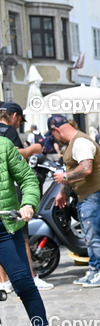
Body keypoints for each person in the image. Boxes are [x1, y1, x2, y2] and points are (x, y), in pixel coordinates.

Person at [0, 135, 55, 326]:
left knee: (23, 283)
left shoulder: (3, 146)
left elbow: (29, 180)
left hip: (5, 226)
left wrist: (28, 204)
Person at [49, 114, 100, 287]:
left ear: (56, 130)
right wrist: (63, 191)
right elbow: (74, 172)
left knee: (94, 236)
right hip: (89, 195)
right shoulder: (74, 143)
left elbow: (85, 168)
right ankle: (94, 270)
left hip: (96, 194)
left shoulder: (81, 142)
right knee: (90, 236)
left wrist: (65, 176)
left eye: (53, 135)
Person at [0, 103, 51, 292]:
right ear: (14, 116)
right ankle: (30, 277)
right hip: (11, 191)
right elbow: (16, 155)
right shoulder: (9, 131)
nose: (19, 123)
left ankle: (4, 281)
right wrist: (32, 150)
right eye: (20, 119)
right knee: (22, 235)